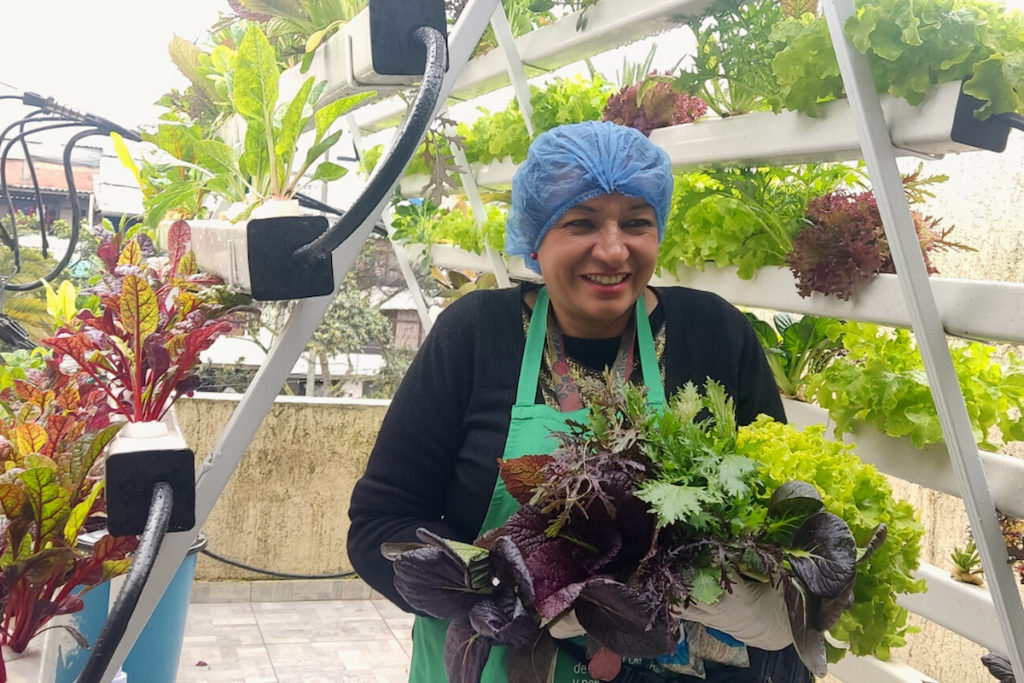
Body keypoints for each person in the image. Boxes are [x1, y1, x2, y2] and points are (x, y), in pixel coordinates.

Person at [347, 120, 811, 682]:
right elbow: (380, 525)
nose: (614, 250)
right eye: (580, 223)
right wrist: (496, 596)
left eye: (637, 223)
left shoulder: (713, 332)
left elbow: (780, 510)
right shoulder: (476, 334)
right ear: (535, 239)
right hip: (498, 662)